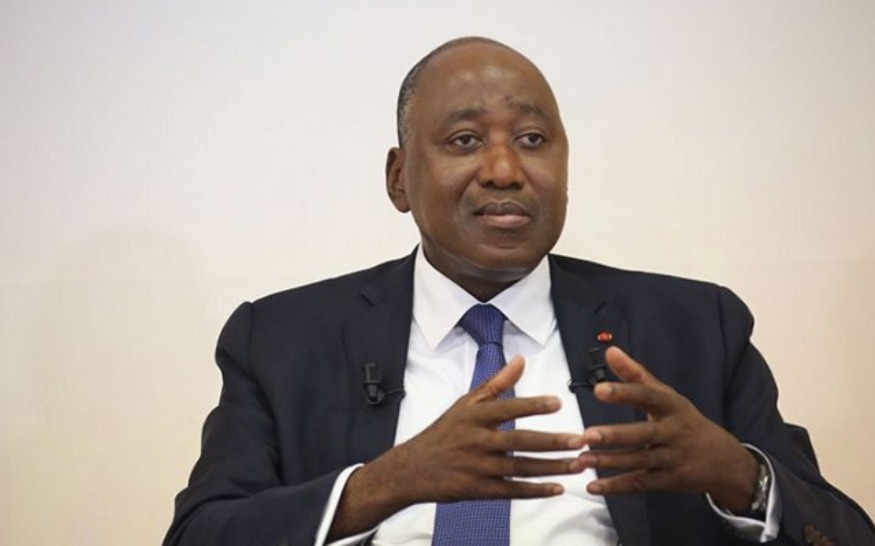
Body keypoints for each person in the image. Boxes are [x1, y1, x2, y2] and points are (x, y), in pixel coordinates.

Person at [164, 37, 875, 546]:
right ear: (399, 178)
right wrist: (383, 486)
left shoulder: (694, 326)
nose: (504, 170)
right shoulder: (282, 339)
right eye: (464, 141)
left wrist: (739, 475)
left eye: (533, 139)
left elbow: (843, 531)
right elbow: (200, 533)